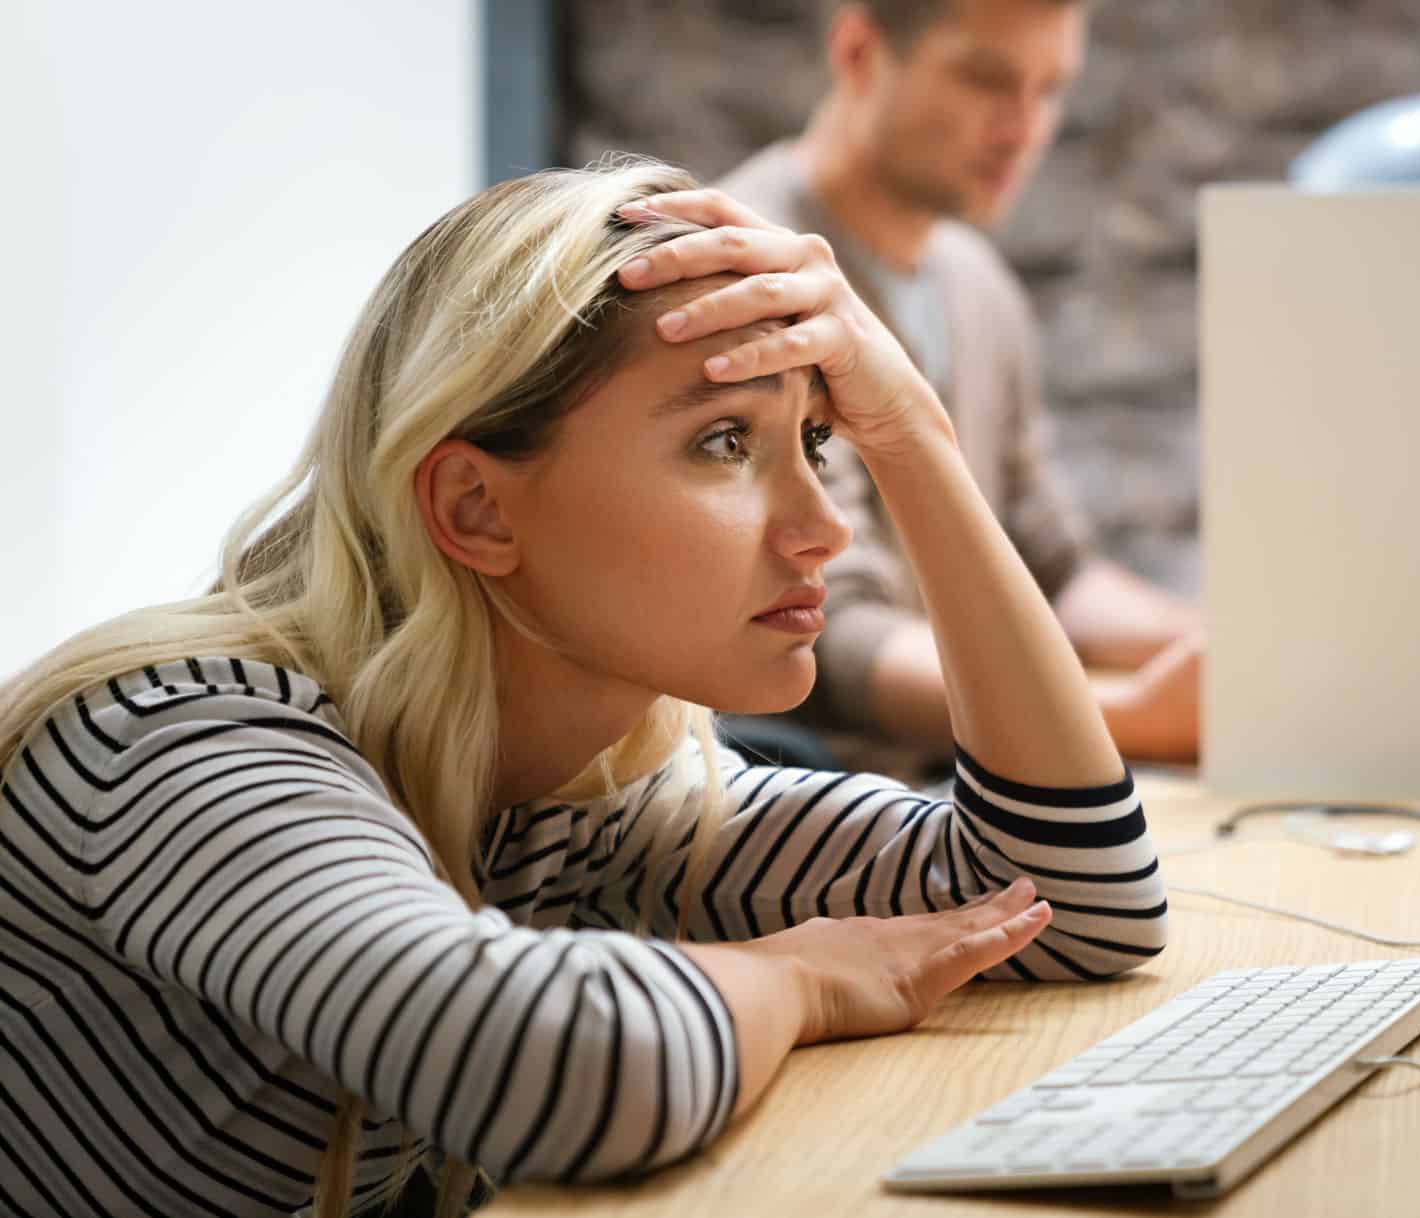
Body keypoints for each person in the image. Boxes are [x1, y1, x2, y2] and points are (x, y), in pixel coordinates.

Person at [0, 157, 1167, 1218]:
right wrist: (798, 977)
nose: (822, 529)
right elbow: (542, 1059)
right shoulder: (172, 744)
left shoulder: (594, 797)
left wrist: (912, 433)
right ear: (475, 508)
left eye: (817, 442)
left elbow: (1067, 902)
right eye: (722, 442)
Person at [720, 0, 1203, 769]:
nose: (1025, 126)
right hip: (812, 820)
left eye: (1050, 90)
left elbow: (1055, 571)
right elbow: (825, 634)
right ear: (858, 53)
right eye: (987, 80)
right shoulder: (744, 277)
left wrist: (1222, 656)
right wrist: (1126, 718)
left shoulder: (978, 286)